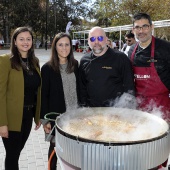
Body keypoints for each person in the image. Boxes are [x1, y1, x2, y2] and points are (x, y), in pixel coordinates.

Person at [128, 12, 170, 170]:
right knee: (141, 149)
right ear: (133, 30)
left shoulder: (165, 48)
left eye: (145, 26)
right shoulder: (131, 50)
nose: (141, 31)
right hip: (140, 109)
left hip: (162, 108)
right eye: (137, 27)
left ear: (152, 27)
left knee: (159, 151)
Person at [0, 27, 41, 170]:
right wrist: (2, 123)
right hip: (11, 119)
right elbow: (1, 93)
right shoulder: (5, 61)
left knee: (16, 153)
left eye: (28, 39)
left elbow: (36, 91)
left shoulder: (34, 62)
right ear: (15, 42)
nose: (25, 42)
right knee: (12, 156)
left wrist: (37, 116)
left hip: (27, 116)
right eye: (21, 39)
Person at [40, 32, 79, 170]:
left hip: (75, 116)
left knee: (74, 149)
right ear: (55, 47)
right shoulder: (47, 68)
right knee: (55, 148)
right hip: (56, 117)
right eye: (60, 45)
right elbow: (43, 96)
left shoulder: (75, 64)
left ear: (71, 46)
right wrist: (45, 121)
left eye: (67, 44)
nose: (64, 48)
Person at [79, 26, 135, 107]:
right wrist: (83, 109)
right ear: (88, 41)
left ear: (106, 39)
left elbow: (129, 88)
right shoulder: (84, 60)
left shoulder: (120, 58)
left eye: (100, 38)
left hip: (116, 111)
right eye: (92, 39)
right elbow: (82, 89)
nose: (96, 42)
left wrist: (127, 110)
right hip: (92, 112)